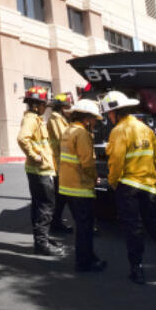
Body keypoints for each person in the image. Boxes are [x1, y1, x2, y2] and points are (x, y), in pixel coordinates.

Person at [101, 90, 156, 285]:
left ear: (115, 112)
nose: (109, 117)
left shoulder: (118, 131)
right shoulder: (145, 129)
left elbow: (116, 162)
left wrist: (113, 182)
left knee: (133, 229)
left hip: (128, 187)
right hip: (148, 187)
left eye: (109, 113)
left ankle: (137, 271)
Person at [58, 98, 106, 272]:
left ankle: (88, 257)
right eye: (93, 119)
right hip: (80, 187)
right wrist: (95, 178)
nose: (94, 123)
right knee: (85, 228)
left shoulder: (68, 130)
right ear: (86, 118)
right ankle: (85, 262)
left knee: (81, 225)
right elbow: (87, 163)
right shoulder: (82, 134)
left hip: (67, 186)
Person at [18, 85, 62, 256]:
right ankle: (42, 244)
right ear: (36, 105)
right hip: (40, 171)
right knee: (45, 206)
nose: (45, 108)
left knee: (39, 206)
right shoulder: (31, 119)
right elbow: (22, 138)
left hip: (39, 171)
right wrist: (35, 155)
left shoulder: (35, 119)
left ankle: (42, 239)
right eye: (44, 104)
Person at [46, 92, 74, 233]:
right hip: (59, 162)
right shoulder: (56, 119)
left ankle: (55, 222)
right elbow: (63, 138)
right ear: (62, 108)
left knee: (61, 196)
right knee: (60, 196)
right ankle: (54, 224)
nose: (70, 109)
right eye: (68, 107)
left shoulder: (61, 119)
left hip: (63, 162)